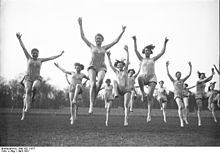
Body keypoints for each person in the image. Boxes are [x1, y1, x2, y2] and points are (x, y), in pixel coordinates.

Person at [78, 17, 126, 114]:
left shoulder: (104, 47)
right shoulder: (91, 46)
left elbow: (115, 41)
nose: (98, 40)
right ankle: (91, 105)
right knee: (92, 84)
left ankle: (94, 97)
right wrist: (80, 25)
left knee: (100, 81)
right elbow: (83, 37)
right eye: (96, 39)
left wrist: (122, 31)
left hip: (101, 67)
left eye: (99, 38)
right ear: (95, 40)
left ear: (102, 40)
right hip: (92, 67)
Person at [16, 32, 64, 120]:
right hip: (28, 78)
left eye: (36, 53)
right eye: (33, 53)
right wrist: (19, 39)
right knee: (27, 91)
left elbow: (51, 57)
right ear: (31, 53)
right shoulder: (29, 58)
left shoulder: (40, 60)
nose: (35, 54)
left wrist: (59, 55)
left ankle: (33, 97)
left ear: (38, 54)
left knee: (34, 87)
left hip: (36, 78)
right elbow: (23, 48)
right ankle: (26, 108)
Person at [132, 36, 168, 123]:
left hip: (152, 77)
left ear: (150, 52)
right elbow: (136, 51)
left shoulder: (153, 59)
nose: (147, 52)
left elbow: (162, 52)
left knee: (150, 97)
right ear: (144, 52)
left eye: (148, 50)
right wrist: (135, 40)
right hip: (144, 77)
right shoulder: (142, 58)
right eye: (146, 50)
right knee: (139, 78)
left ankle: (149, 114)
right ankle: (143, 92)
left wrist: (165, 42)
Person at [107, 45, 131, 126]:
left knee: (126, 105)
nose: (120, 66)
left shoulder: (126, 71)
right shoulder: (116, 72)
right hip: (119, 89)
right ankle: (116, 94)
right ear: (117, 66)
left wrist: (127, 52)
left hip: (126, 89)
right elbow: (110, 65)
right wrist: (108, 56)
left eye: (121, 65)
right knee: (114, 81)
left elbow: (127, 61)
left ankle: (125, 120)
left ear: (123, 66)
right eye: (118, 65)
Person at [166, 61, 192, 127]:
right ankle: (181, 121)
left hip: (183, 94)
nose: (179, 75)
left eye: (180, 74)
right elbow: (168, 74)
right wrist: (167, 66)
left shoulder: (182, 80)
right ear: (176, 75)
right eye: (178, 74)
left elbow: (189, 74)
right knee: (180, 107)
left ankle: (185, 117)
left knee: (186, 106)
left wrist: (190, 66)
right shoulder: (174, 81)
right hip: (177, 95)